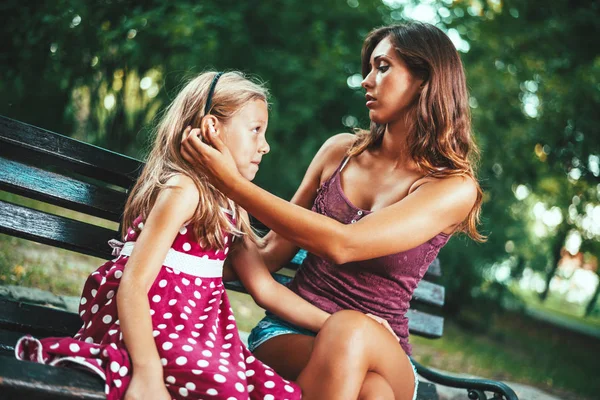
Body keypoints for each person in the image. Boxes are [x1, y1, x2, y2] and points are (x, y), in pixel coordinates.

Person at [181, 22, 485, 400]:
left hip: (382, 347)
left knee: (353, 334)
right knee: (372, 391)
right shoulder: (339, 153)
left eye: (383, 67)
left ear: (425, 78)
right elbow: (267, 254)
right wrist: (219, 200)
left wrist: (234, 185)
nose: (367, 81)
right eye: (369, 69)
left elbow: (345, 244)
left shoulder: (452, 187)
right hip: (288, 333)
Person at [15, 71, 348, 400]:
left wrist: (339, 324)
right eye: (256, 131)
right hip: (145, 322)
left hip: (198, 334)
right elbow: (132, 286)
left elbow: (265, 289)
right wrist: (148, 374)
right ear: (212, 128)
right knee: (227, 389)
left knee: (276, 393)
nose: (265, 146)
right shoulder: (183, 189)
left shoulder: (231, 202)